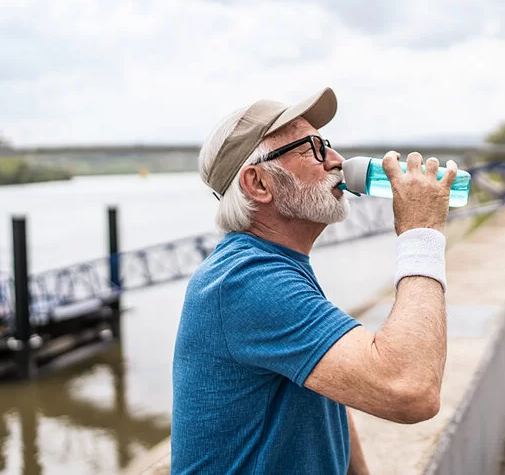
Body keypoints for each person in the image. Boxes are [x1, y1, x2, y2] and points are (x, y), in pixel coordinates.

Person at [172, 87, 457, 474]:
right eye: (313, 149)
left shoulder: (277, 264)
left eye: (329, 145)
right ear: (258, 184)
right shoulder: (245, 281)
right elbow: (411, 389)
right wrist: (421, 233)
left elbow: (329, 379)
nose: (337, 161)